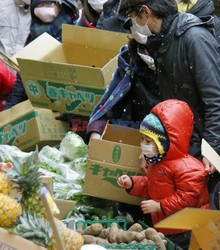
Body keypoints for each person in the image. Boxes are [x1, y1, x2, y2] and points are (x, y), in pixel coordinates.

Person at [117, 0, 220, 199]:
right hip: (187, 149)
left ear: (146, 12)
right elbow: (168, 108)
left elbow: (215, 98)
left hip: (205, 151)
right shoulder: (163, 41)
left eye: (132, 17)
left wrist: (213, 148)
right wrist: (152, 146)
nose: (132, 24)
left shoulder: (193, 38)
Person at [117, 99, 210, 249]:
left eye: (148, 141)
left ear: (166, 142)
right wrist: (132, 183)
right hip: (168, 225)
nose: (143, 145)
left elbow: (187, 199)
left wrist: (159, 206)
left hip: (187, 228)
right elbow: (154, 186)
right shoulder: (158, 162)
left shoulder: (189, 169)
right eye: (142, 140)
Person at [3, 0, 79, 110]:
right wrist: (8, 110)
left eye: (48, 4)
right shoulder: (33, 36)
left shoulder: (74, 34)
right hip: (37, 103)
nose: (44, 9)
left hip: (68, 103)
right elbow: (23, 78)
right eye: (39, 5)